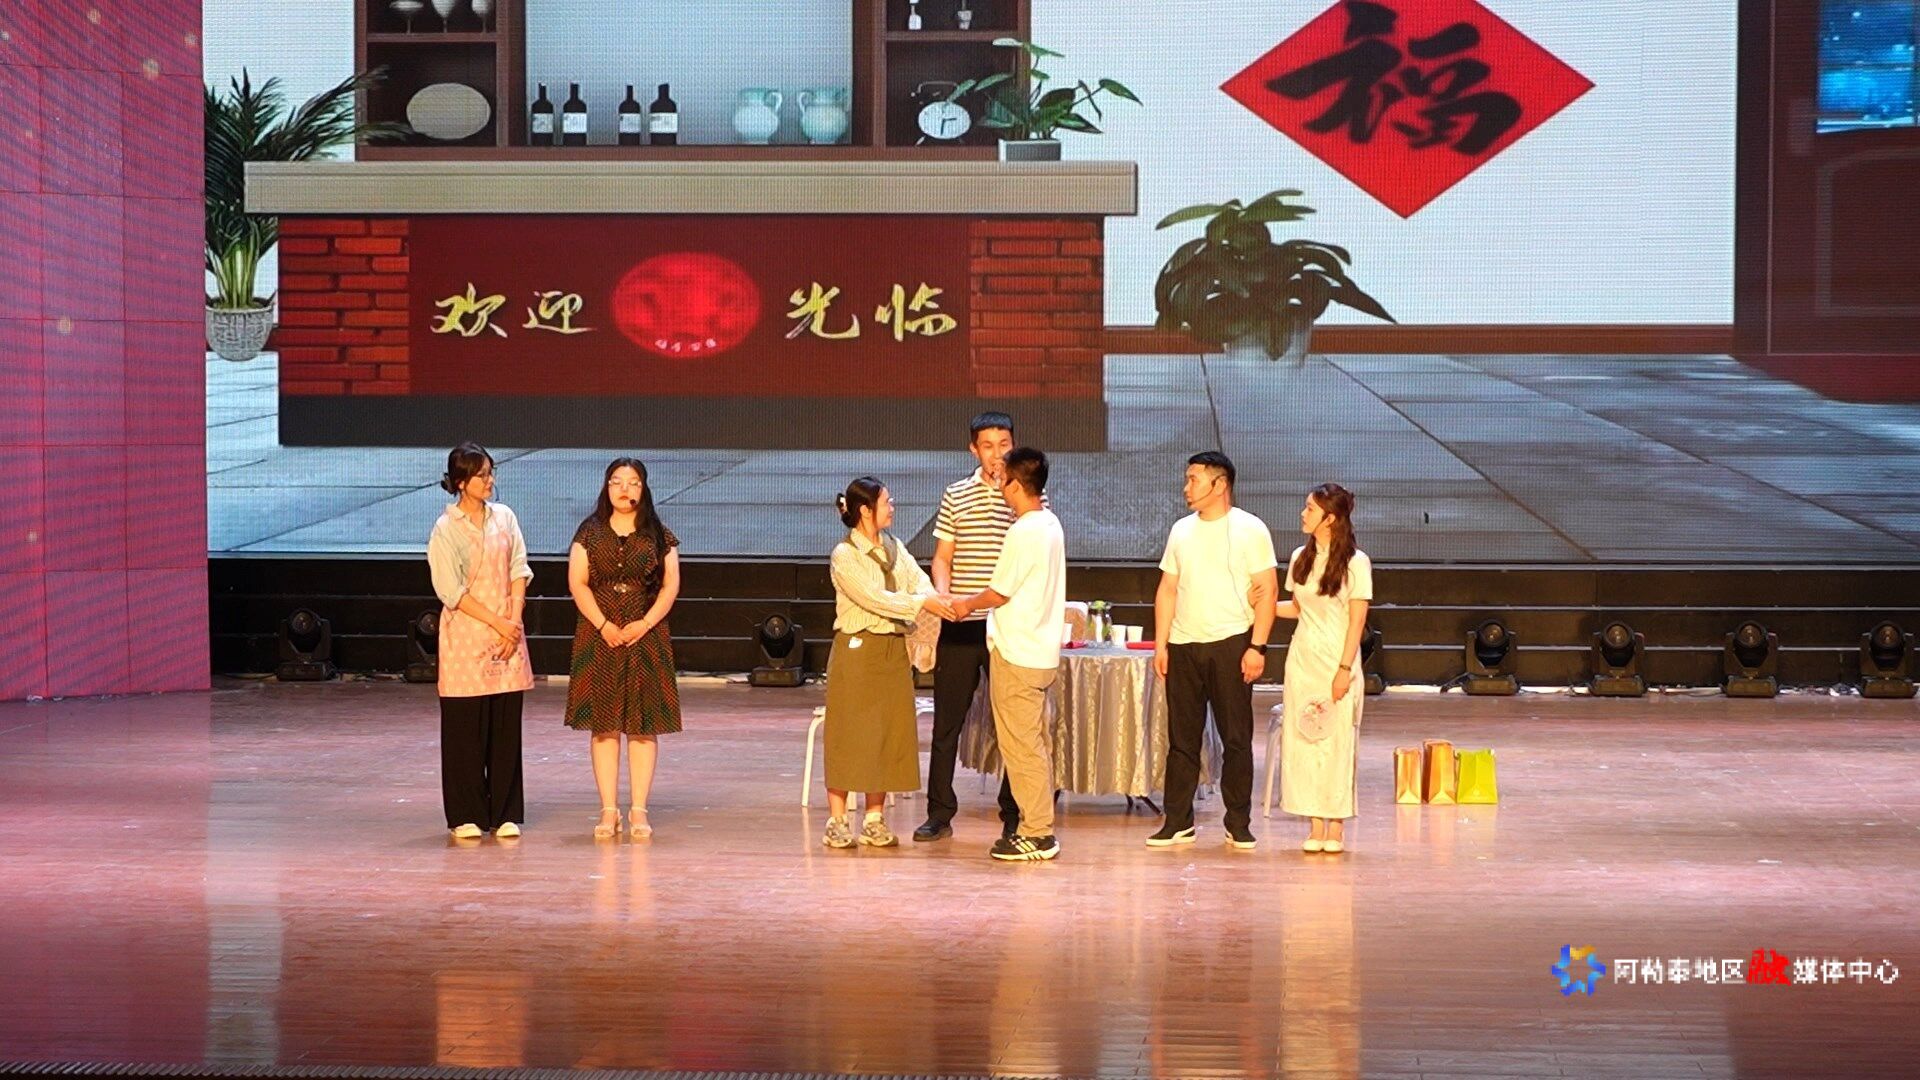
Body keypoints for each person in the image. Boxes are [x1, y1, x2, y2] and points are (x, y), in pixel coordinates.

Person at [1148, 451, 1278, 851]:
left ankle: (1238, 821)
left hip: (1231, 643)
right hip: (1184, 645)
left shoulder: (1250, 529)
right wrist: (1161, 644)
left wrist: (1257, 646)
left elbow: (1268, 591)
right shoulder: (1181, 530)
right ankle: (1177, 821)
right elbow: (1168, 589)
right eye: (1187, 479)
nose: (1186, 488)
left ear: (1219, 484)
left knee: (1236, 738)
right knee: (1182, 741)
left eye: (1194, 479)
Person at [822, 477, 955, 849]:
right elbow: (874, 598)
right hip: (858, 650)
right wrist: (922, 603)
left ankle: (874, 819)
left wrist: (937, 599)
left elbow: (918, 581)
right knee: (849, 733)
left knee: (886, 732)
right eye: (886, 502)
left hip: (892, 650)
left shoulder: (895, 547)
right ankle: (837, 820)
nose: (892, 507)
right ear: (866, 510)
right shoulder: (845, 555)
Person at [917, 412, 1029, 843]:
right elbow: (943, 557)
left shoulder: (1027, 492)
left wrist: (1010, 491)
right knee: (947, 723)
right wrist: (944, 596)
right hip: (963, 623)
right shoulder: (957, 494)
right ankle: (939, 812)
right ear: (973, 449)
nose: (997, 454)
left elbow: (1032, 551)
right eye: (988, 446)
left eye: (1004, 445)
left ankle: (1014, 811)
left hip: (1008, 625)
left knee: (1012, 724)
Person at [952, 448, 1066, 862]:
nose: (1000, 486)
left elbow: (999, 591)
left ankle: (1037, 833)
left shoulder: (1025, 531)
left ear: (1016, 485)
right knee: (1033, 743)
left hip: (1019, 653)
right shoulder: (1050, 523)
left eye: (1004, 480)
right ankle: (1038, 826)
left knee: (1022, 747)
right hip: (1039, 652)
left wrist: (965, 604)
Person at [564, 458, 683, 840]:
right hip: (600, 634)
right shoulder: (589, 532)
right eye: (616, 481)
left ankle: (639, 810)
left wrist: (645, 623)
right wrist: (603, 624)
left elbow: (670, 585)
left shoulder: (658, 535)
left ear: (643, 489)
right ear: (606, 486)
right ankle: (608, 810)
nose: (624, 489)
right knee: (604, 725)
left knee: (643, 726)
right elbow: (578, 582)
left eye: (632, 482)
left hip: (645, 634)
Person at [426, 442, 533, 840]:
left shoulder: (504, 517)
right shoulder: (446, 528)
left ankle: (503, 812)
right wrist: (497, 622)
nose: (489, 481)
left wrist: (513, 622)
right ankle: (465, 814)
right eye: (481, 475)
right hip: (467, 639)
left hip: (507, 635)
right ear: (460, 482)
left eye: (491, 473)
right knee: (465, 730)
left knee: (504, 729)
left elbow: (519, 568)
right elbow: (451, 590)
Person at [1273, 483, 1373, 854]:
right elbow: (1298, 609)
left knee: (1335, 740)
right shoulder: (1300, 557)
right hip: (1303, 660)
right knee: (1304, 738)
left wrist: (1344, 668)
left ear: (1330, 518)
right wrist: (1259, 607)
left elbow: (1357, 620)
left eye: (1310, 509)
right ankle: (1315, 823)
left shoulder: (1355, 563)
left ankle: (1336, 826)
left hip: (1335, 660)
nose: (1303, 514)